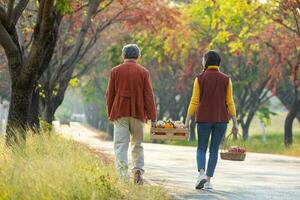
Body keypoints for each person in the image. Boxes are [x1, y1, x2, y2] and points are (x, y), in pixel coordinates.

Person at [185, 50, 238, 190]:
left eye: (203, 59)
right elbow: (230, 102)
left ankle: (201, 174)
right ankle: (208, 181)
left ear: (206, 62)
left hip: (204, 119)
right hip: (221, 119)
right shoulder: (226, 79)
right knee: (214, 150)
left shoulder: (199, 78)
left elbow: (194, 101)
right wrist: (235, 121)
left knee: (201, 148)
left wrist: (187, 118)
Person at [106, 44, 157, 184]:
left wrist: (110, 113)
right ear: (138, 56)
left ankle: (123, 175)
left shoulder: (115, 71)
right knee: (137, 144)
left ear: (123, 55)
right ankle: (138, 171)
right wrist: (153, 117)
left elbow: (110, 95)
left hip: (119, 113)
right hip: (138, 113)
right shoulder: (143, 72)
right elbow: (148, 96)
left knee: (121, 145)